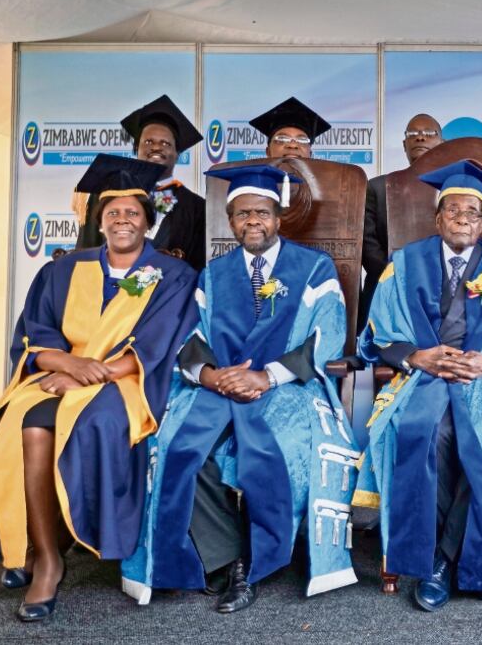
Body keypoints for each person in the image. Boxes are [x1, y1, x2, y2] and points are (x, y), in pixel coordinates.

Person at [0, 154, 197, 621]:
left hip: (127, 385)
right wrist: (69, 363)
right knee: (10, 432)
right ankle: (39, 551)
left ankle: (53, 551)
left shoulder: (173, 275)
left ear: (148, 222)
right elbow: (34, 336)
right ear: (99, 221)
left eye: (132, 212)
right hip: (58, 376)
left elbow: (159, 344)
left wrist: (92, 373)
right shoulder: (64, 269)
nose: (122, 220)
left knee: (57, 426)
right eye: (113, 213)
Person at [121, 163, 358, 613]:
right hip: (219, 386)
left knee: (283, 443)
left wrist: (266, 376)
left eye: (262, 213)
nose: (253, 222)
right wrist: (211, 376)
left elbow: (327, 335)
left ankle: (259, 557)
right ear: (231, 221)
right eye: (243, 214)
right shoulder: (213, 274)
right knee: (175, 442)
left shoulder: (313, 268)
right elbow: (189, 337)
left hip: (287, 387)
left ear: (278, 217)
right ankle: (230, 558)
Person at [353, 160, 482, 612]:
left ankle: (447, 559)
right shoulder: (402, 265)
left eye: (473, 211)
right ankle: (439, 557)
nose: (463, 217)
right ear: (437, 217)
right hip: (424, 378)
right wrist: (415, 356)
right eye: (453, 209)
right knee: (430, 433)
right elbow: (378, 333)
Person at [76, 95, 207, 271]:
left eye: (166, 143)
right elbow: (85, 252)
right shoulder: (104, 195)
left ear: (177, 153)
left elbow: (197, 268)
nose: (156, 147)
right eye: (148, 142)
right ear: (137, 148)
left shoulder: (196, 208)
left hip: (169, 295)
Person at [359, 113, 444, 332]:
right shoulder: (379, 187)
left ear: (442, 143)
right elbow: (367, 244)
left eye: (428, 133)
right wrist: (396, 276)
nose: (420, 138)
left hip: (441, 293)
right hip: (384, 289)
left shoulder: (452, 190)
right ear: (404, 144)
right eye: (413, 133)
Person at [250, 96, 332, 160]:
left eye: (302, 140)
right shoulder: (253, 182)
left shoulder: (324, 182)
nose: (292, 145)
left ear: (310, 153)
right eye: (282, 139)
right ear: (268, 152)